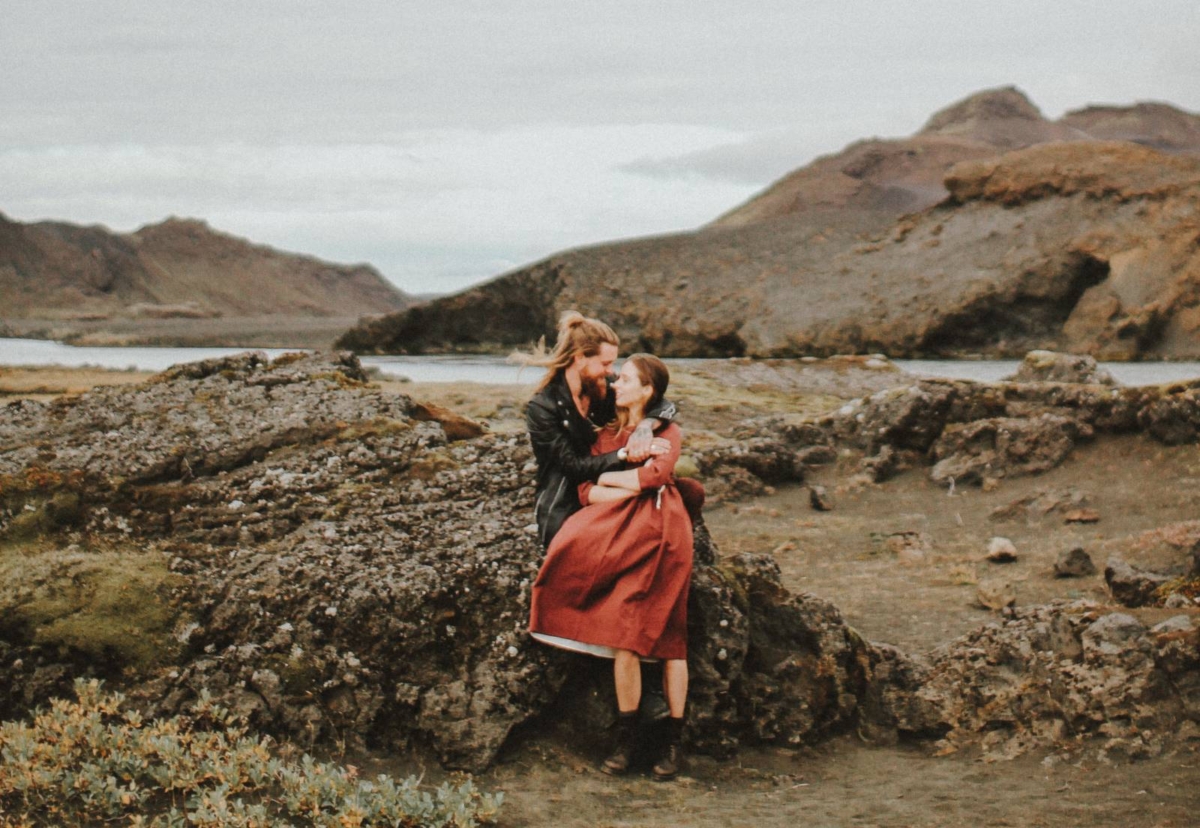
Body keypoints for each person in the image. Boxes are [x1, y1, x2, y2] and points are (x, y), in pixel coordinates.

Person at [529, 354, 693, 781]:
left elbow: (658, 476)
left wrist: (615, 479)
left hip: (664, 533)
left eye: (626, 379)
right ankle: (627, 737)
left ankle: (673, 742)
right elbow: (585, 491)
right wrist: (624, 473)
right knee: (624, 637)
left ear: (647, 391)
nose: (616, 382)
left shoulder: (667, 429)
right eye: (617, 376)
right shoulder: (606, 436)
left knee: (672, 638)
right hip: (621, 536)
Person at [521, 311, 676, 550]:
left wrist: (645, 427)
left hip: (608, 485)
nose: (610, 370)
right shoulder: (542, 407)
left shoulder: (602, 386)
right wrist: (624, 454)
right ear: (580, 357)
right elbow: (572, 467)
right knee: (578, 550)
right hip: (564, 495)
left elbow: (662, 403)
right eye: (605, 363)